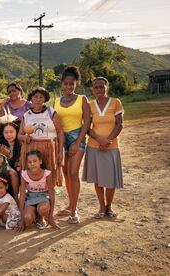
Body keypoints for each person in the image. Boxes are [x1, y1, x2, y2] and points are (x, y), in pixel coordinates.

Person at [82, 77, 124, 218]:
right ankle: (101, 207)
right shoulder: (90, 105)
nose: (99, 89)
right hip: (94, 146)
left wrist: (108, 141)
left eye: (102, 86)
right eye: (96, 87)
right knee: (98, 179)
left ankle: (109, 207)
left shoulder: (115, 102)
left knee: (110, 180)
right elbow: (87, 127)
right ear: (92, 89)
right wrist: (99, 139)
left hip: (111, 147)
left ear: (107, 87)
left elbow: (119, 124)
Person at [54, 66, 90, 224]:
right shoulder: (56, 101)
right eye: (66, 84)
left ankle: (74, 211)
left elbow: (87, 122)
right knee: (67, 174)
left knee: (73, 173)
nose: (68, 87)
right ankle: (70, 204)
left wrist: (77, 142)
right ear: (61, 84)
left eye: (72, 84)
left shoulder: (82, 99)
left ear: (77, 84)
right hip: (61, 140)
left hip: (77, 137)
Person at [18, 86, 64, 187]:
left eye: (41, 97)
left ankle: (48, 201)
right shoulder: (27, 115)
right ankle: (33, 198)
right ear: (31, 98)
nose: (38, 99)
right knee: (33, 177)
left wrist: (60, 152)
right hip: (31, 148)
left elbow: (60, 132)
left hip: (49, 148)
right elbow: (19, 135)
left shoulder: (50, 112)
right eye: (35, 97)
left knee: (49, 177)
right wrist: (25, 138)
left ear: (45, 99)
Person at [18, 150, 58, 231]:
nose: (32, 164)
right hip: (30, 198)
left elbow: (51, 194)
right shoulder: (24, 174)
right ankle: (35, 215)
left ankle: (41, 218)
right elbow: (22, 196)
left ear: (40, 161)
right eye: (29, 162)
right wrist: (22, 220)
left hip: (43, 196)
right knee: (27, 218)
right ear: (27, 164)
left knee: (43, 209)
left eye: (35, 161)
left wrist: (50, 217)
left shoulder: (47, 174)